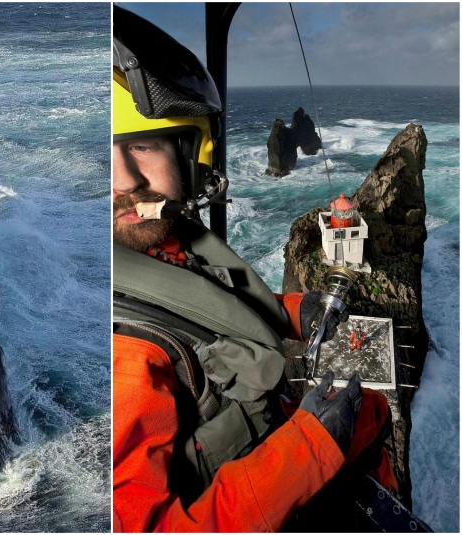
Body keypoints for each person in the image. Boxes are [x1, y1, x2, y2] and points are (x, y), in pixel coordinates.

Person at [112, 6, 397, 532]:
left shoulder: (171, 244)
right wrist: (311, 444)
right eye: (101, 154)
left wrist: (297, 311)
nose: (125, 180)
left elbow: (215, 308)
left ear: (190, 156)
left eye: (142, 145)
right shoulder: (124, 356)